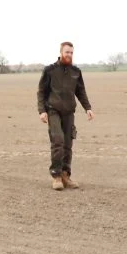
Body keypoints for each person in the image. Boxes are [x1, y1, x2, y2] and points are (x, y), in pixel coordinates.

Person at [36, 42, 94, 190]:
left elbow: (80, 91)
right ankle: (56, 177)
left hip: (69, 112)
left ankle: (65, 175)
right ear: (61, 52)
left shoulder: (76, 72)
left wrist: (88, 108)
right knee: (58, 141)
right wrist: (42, 111)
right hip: (53, 110)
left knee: (68, 144)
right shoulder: (50, 70)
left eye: (71, 53)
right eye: (67, 52)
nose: (69, 55)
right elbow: (41, 92)